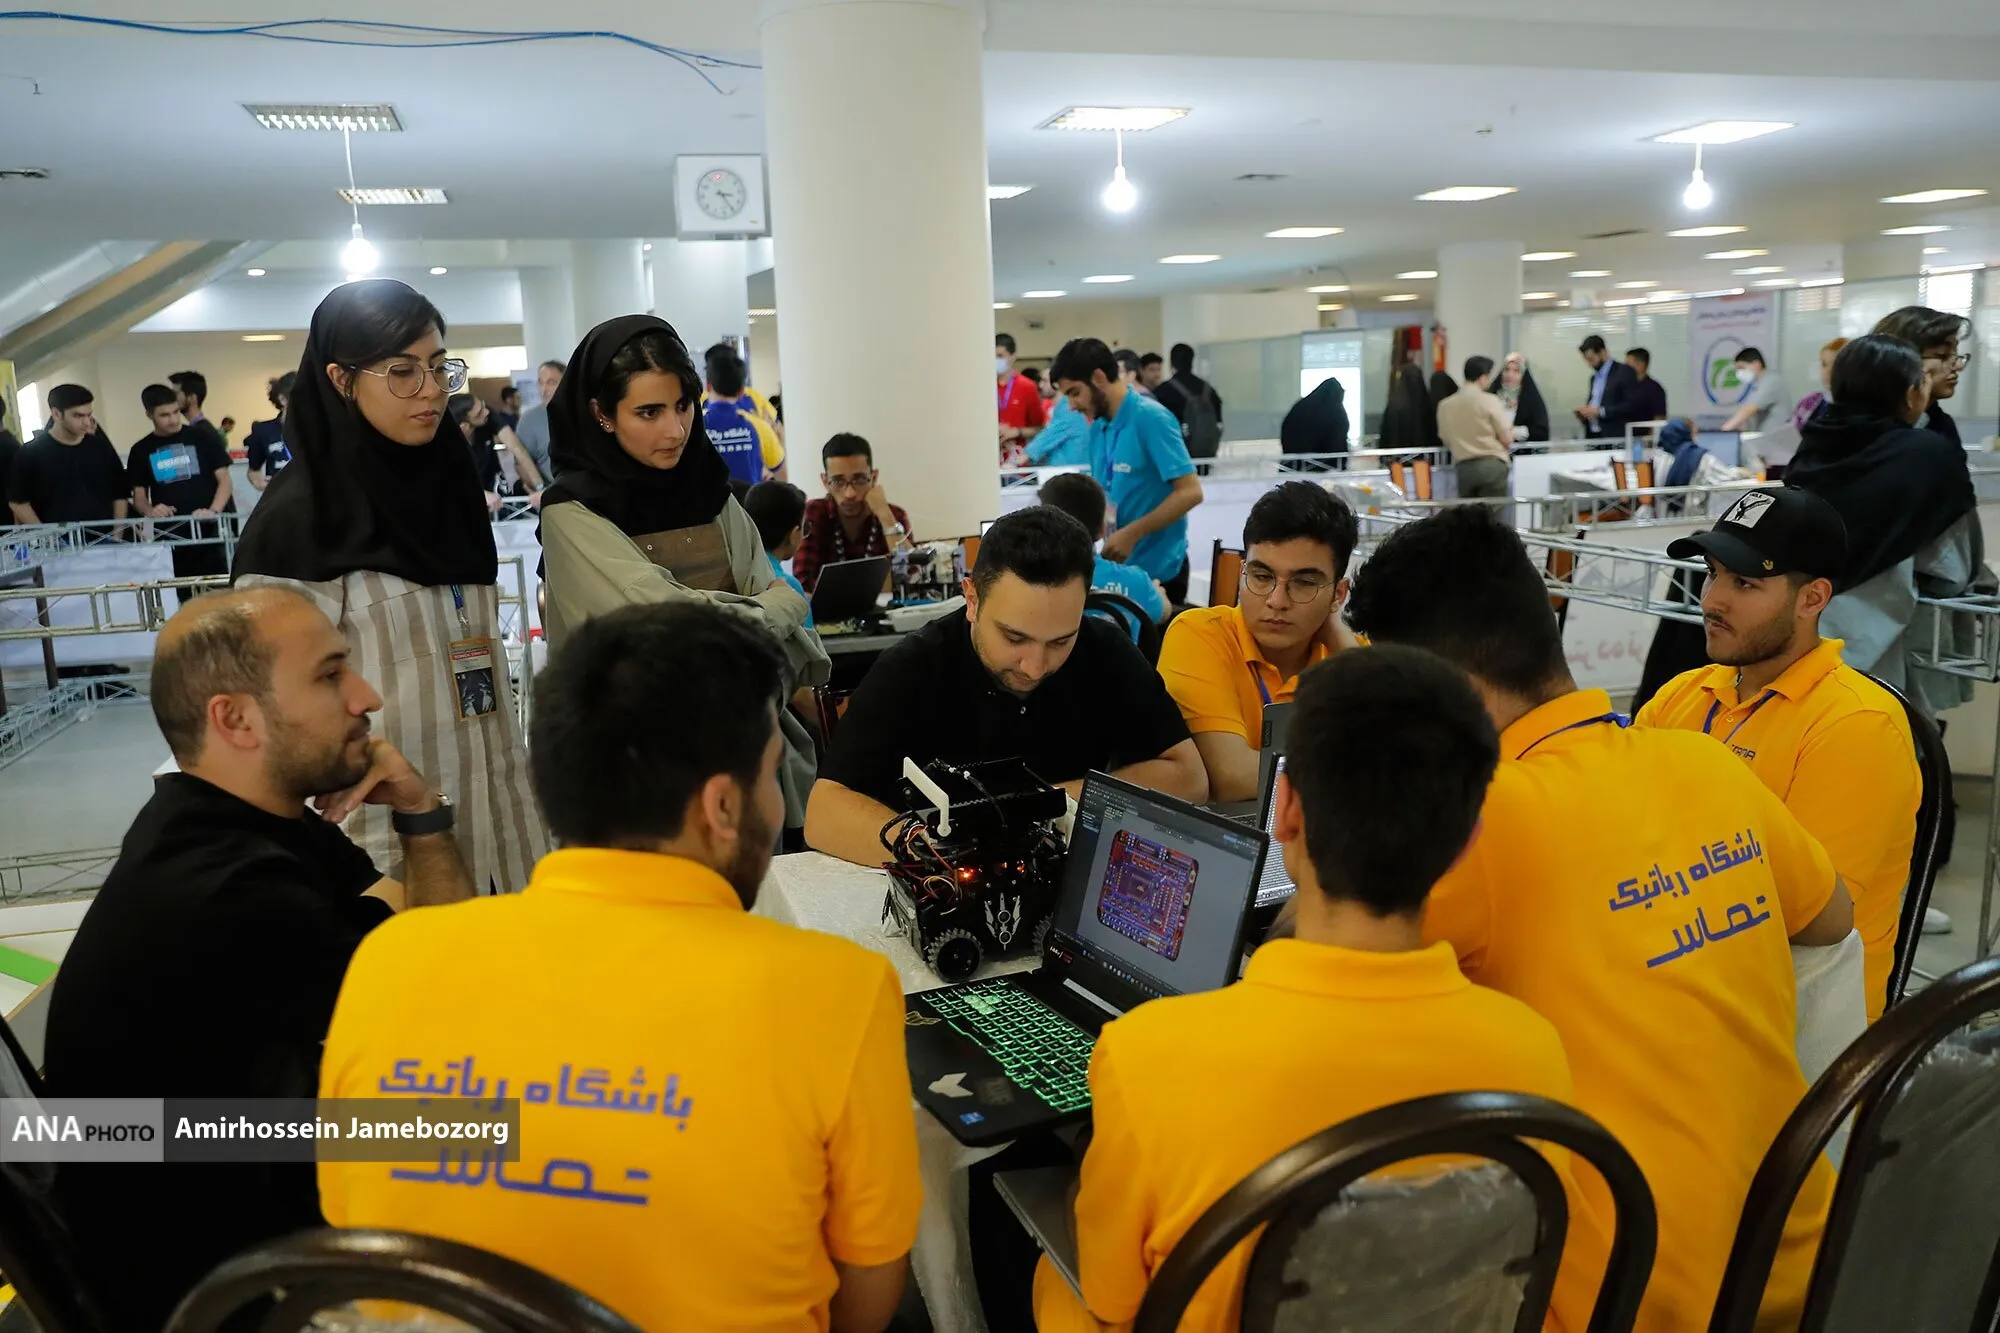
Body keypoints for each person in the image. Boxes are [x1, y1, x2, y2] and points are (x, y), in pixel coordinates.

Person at [319, 601, 921, 1332]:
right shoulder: (839, 993)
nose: (777, 797)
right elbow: (867, 1296)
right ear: (722, 806)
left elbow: (358, 1221)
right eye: (771, 774)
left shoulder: (390, 960)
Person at [1330, 504, 1854, 1332]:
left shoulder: (1475, 821)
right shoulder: (1705, 763)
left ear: (1440, 690)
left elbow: (1308, 968)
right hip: (1805, 1267)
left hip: (1625, 1300)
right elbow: (1831, 921)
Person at [1034, 646, 1575, 1333]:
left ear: (1284, 811)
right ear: (1468, 840)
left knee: (1051, 1271)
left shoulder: (1146, 1055)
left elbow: (1111, 1296)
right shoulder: (1533, 1056)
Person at [45, 586, 472, 1332]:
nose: (366, 697)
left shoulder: (240, 823)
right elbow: (451, 1004)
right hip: (226, 1294)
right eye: (330, 675)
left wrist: (419, 812)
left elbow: (426, 941)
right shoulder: (228, 889)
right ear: (236, 719)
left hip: (242, 1189)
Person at [232, 278, 547, 896]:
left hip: (500, 815)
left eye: (438, 367)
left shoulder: (449, 490)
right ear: (341, 380)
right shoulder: (299, 523)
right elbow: (271, 712)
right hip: (379, 838)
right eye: (402, 372)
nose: (431, 390)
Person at [1637, 488, 1920, 1021]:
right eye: (1713, 574)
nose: (1712, 601)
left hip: (1800, 1019)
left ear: (1812, 599)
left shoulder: (1858, 724)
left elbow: (1807, 919)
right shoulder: (1684, 694)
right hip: (1686, 978)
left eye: (1745, 583)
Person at [537, 315, 826, 829]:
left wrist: (745, 636)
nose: (674, 430)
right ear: (601, 413)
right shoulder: (572, 512)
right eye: (648, 412)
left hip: (750, 759)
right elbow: (668, 633)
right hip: (638, 777)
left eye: (683, 405)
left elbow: (785, 649)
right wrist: (782, 604)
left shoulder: (712, 494)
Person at [805, 506, 1205, 865]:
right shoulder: (913, 666)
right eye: (1014, 638)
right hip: (940, 880)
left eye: (1061, 641)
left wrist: (1048, 803)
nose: (1035, 667)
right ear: (972, 599)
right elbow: (823, 814)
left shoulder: (1105, 648)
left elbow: (1189, 777)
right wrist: (935, 852)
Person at [1157, 482, 1357, 803]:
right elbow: (1233, 778)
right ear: (1242, 574)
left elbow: (1411, 755)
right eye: (1262, 577)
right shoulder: (1200, 633)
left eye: (1304, 583)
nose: (1277, 601)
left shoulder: (1352, 655)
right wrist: (1365, 767)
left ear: (1339, 594)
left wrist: (1342, 643)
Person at [1050, 337, 1202, 604]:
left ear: (1098, 378)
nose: (1072, 405)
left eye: (1075, 393)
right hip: (1121, 571)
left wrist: (1133, 533)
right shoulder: (1098, 426)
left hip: (1160, 577)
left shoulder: (1152, 418)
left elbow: (1191, 492)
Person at [128, 382, 233, 601]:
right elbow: (139, 497)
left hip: (208, 533)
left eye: (176, 412)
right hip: (170, 537)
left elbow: (224, 480)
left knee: (218, 597)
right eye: (164, 415)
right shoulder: (141, 450)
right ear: (149, 415)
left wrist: (213, 510)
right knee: (179, 599)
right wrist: (151, 511)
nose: (173, 419)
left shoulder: (202, 437)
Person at [1037, 471, 1168, 624]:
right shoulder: (1137, 581)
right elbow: (1163, 613)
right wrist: (1156, 593)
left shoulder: (1030, 581)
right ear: (1102, 529)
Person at [791, 432, 914, 593]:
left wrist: (886, 518)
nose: (849, 493)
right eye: (838, 481)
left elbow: (911, 575)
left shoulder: (894, 516)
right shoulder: (814, 513)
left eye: (859, 479)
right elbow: (803, 582)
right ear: (825, 481)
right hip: (830, 609)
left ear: (874, 477)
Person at [6, 383, 128, 527]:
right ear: (56, 414)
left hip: (104, 535)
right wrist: (47, 534)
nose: (86, 422)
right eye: (78, 416)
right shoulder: (30, 453)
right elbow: (18, 502)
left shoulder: (100, 447)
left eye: (89, 415)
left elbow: (120, 493)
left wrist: (117, 532)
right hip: (57, 537)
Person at [1873, 305, 1971, 445]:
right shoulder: (1862, 427)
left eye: (1956, 356)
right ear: (1900, 358)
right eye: (1942, 355)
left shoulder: (1942, 424)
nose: (1958, 366)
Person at [702, 345, 785, 487]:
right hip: (749, 499)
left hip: (707, 501)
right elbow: (782, 476)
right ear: (742, 391)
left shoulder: (693, 423)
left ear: (708, 385)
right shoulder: (758, 425)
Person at [1434, 355, 1513, 499]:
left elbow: (1446, 439)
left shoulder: (1445, 405)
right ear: (1483, 378)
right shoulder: (1490, 401)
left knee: (1469, 511)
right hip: (1492, 466)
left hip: (1464, 469)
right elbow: (1506, 438)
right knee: (1492, 511)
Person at [743, 478, 814, 626]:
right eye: (804, 528)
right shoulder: (788, 586)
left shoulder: (738, 575)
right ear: (793, 535)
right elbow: (809, 639)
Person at [1152, 342, 1224, 461]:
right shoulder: (1209, 390)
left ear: (1171, 363)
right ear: (1192, 362)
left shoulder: (1163, 391)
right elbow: (1219, 423)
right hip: (1206, 457)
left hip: (1177, 458)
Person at [1575, 334, 1641, 440]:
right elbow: (1594, 404)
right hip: (1593, 435)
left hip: (1614, 436)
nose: (1589, 364)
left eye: (1591, 359)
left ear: (1603, 352)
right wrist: (1585, 413)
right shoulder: (1594, 378)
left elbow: (1631, 405)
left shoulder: (1624, 372)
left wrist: (1601, 412)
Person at [996, 331, 1047, 467]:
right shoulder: (985, 386)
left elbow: (1039, 428)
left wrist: (1015, 432)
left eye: (1000, 356)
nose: (996, 360)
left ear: (1012, 356)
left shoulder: (1027, 386)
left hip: (1017, 460)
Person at [1278, 375, 1349, 469]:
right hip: (1323, 467)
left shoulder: (1301, 407)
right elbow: (1338, 442)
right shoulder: (1335, 412)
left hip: (1292, 465)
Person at [513, 357, 564, 487]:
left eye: (551, 383)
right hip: (551, 493)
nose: (543, 389)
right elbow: (521, 464)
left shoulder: (586, 414)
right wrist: (539, 489)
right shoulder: (529, 419)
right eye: (540, 383)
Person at [243, 371, 295, 491]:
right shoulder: (263, 431)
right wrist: (259, 483)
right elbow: (253, 470)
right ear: (283, 399)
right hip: (279, 498)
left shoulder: (317, 429)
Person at [1720, 346, 1791, 433]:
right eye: (1737, 370)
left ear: (1757, 364)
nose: (1739, 373)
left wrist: (1725, 430)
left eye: (1742, 368)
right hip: (1765, 436)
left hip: (1776, 437)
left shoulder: (1771, 381)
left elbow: (1749, 410)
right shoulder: (1758, 384)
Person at [1378, 341, 1434, 450]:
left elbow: (1385, 436)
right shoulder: (1427, 405)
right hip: (1424, 459)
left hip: (1396, 458)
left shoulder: (1394, 405)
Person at [1790, 337, 1848, 431]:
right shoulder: (1808, 402)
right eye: (1824, 364)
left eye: (1835, 365)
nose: (1828, 371)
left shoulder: (1856, 409)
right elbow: (1790, 433)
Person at [170, 370, 229, 462]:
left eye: (175, 394)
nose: (172, 399)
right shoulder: (199, 430)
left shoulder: (203, 433)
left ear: (192, 398)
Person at [1024, 390, 1090, 467]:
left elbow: (1047, 437)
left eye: (1045, 382)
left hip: (1071, 469)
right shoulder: (1062, 409)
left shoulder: (1068, 410)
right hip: (1068, 468)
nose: (1041, 385)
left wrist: (1022, 457)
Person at [1496, 351, 1551, 444]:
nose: (1510, 375)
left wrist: (1517, 432)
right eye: (1507, 369)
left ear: (1523, 375)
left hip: (1520, 451)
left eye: (1516, 371)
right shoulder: (1491, 396)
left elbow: (1541, 431)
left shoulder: (1531, 400)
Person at [1626, 346, 1669, 422]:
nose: (1624, 368)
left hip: (1643, 429)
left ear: (1640, 365)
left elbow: (1659, 418)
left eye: (1628, 364)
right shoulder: (1625, 386)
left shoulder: (1654, 389)